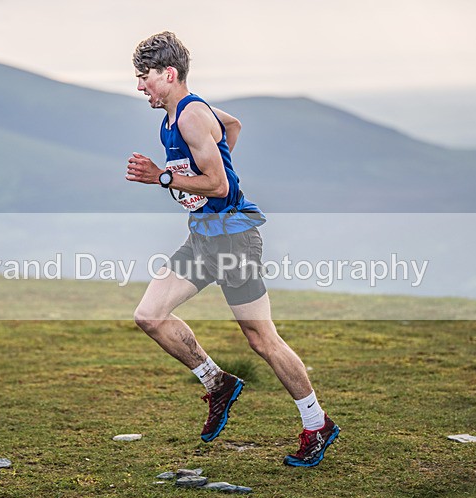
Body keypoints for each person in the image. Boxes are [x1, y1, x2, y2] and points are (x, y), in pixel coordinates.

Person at [125, 31, 339, 467]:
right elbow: (233, 126)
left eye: (144, 77)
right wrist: (215, 157)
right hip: (204, 238)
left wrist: (162, 178)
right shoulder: (177, 115)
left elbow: (218, 184)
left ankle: (317, 423)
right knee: (149, 315)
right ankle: (216, 380)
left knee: (262, 338)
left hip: (234, 241)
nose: (140, 85)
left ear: (169, 73)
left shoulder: (189, 116)